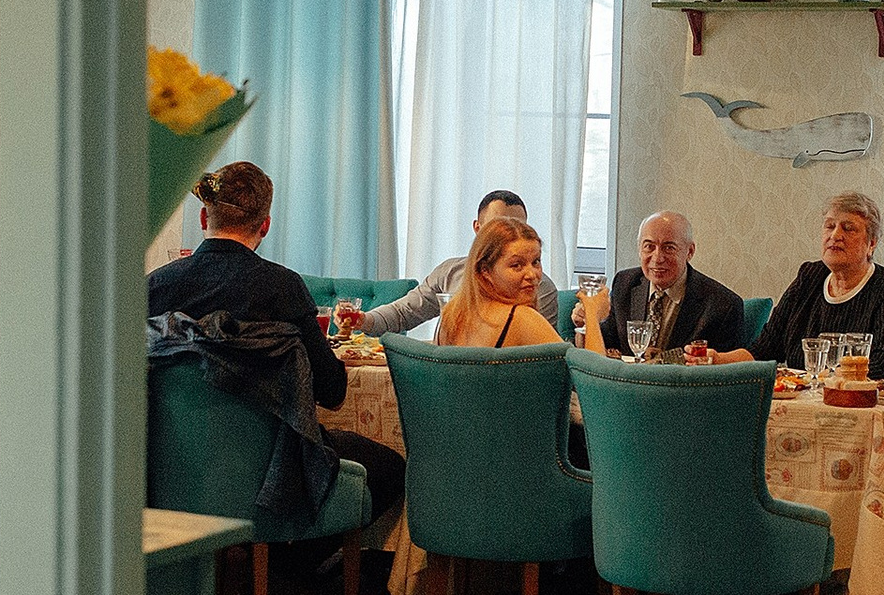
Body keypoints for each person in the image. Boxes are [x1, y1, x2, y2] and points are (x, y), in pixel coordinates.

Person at [146, 161, 405, 519]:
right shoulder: (283, 288)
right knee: (392, 468)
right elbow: (332, 392)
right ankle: (301, 553)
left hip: (169, 469)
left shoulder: (155, 286)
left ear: (204, 218)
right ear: (265, 226)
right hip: (271, 473)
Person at [697, 191, 884, 382]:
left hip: (859, 405)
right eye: (830, 226)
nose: (835, 235)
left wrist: (827, 378)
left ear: (871, 243)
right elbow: (764, 349)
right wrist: (717, 359)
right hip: (805, 401)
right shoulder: (809, 277)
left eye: (848, 228)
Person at [349, 190, 560, 335]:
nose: (511, 235)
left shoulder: (539, 287)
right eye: (498, 227)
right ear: (478, 228)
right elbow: (405, 312)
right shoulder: (450, 272)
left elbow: (545, 361)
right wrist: (364, 320)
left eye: (518, 227)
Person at [437, 218, 608, 351]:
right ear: (485, 270)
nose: (532, 274)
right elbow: (594, 379)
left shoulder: (451, 315)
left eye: (536, 262)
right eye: (516, 265)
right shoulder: (520, 318)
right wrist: (592, 314)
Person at [594, 211, 745, 358]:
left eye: (669, 248)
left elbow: (724, 371)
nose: (658, 258)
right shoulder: (624, 283)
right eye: (649, 246)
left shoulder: (723, 305)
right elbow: (606, 344)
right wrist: (589, 320)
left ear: (690, 252)